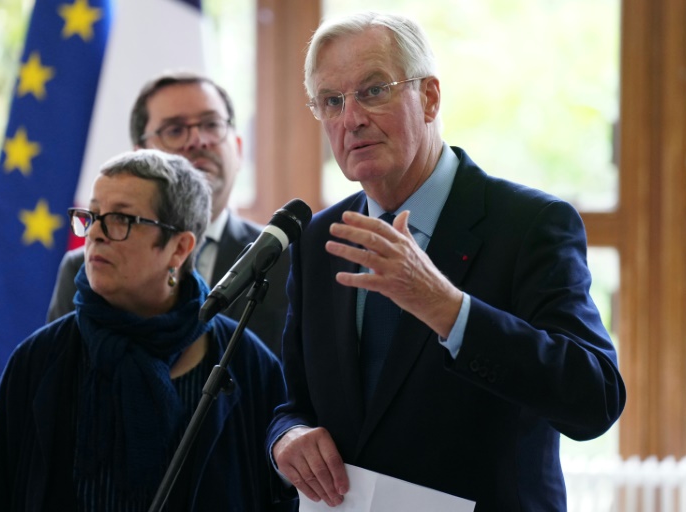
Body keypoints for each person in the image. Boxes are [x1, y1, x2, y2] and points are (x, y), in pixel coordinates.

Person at [266, 11, 626, 511]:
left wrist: (449, 309)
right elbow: (295, 403)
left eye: (373, 90)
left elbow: (594, 399)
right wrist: (287, 437)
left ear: (430, 97)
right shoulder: (318, 240)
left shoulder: (529, 225)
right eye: (331, 101)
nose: (351, 119)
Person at [0, 150, 296, 511]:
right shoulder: (38, 360)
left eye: (120, 219)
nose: (94, 234)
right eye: (91, 217)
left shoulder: (245, 363)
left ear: (179, 248)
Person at [47, 71, 289, 356]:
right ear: (140, 158)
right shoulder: (86, 269)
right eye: (175, 130)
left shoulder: (286, 261)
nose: (198, 140)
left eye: (211, 125)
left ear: (237, 147)